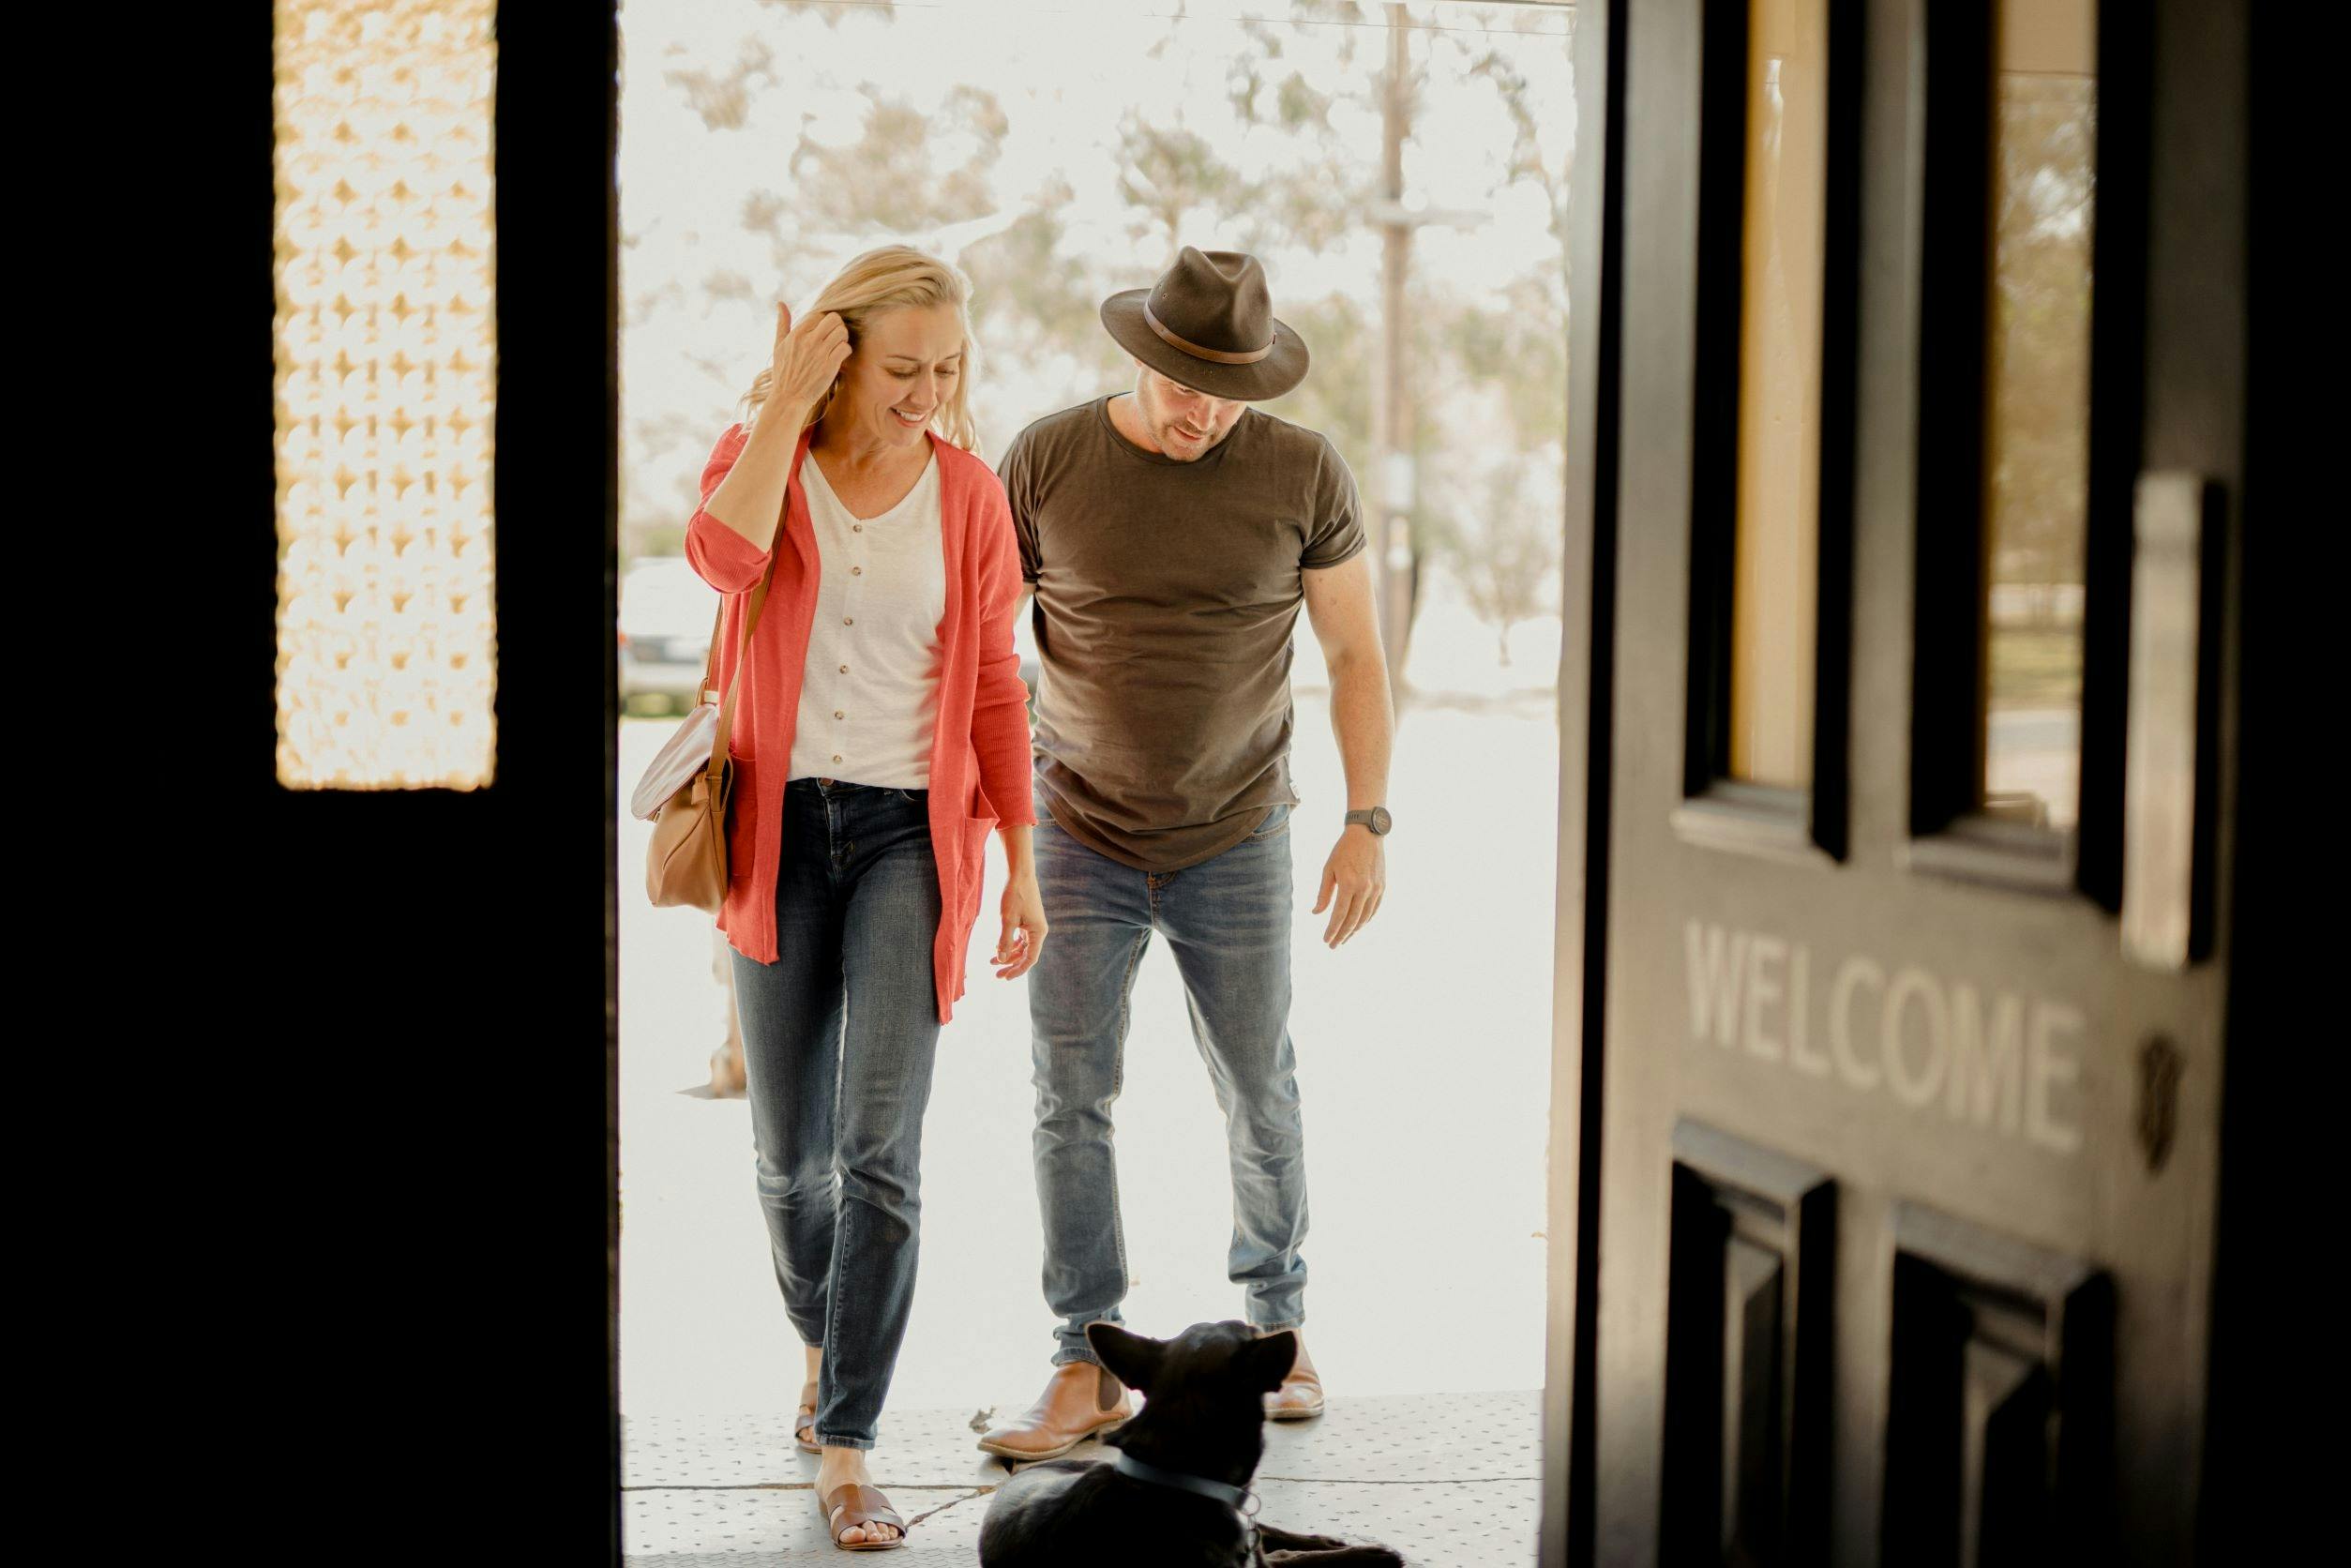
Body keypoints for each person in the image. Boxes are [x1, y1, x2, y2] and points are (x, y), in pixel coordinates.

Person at [977, 248, 1395, 1462]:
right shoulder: (1048, 459)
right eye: (1182, 383)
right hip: (1076, 829)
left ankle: (1276, 1327)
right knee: (1069, 1096)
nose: (1202, 410)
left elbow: (1356, 656)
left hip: (1240, 833)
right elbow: (982, 648)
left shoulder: (1303, 470)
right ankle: (1084, 1360)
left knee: (1259, 1085)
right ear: (1139, 357)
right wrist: (990, 829)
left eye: (1228, 391)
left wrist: (1367, 821)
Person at [686, 245, 1045, 1550]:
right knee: (790, 1163)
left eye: (947, 368)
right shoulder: (763, 456)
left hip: (910, 837)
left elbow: (995, 684)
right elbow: (720, 561)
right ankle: (822, 1342)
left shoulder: (970, 495)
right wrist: (784, 406)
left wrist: (1021, 861)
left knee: (878, 1154)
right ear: (840, 354)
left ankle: (849, 1440)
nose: (928, 393)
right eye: (903, 367)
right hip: (777, 830)